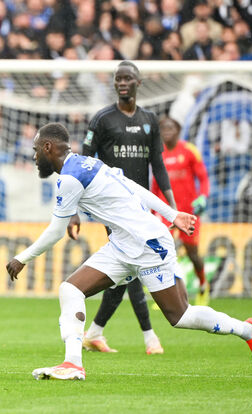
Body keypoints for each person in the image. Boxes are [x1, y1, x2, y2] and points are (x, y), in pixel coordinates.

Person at [6, 123, 252, 380]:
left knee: (180, 316)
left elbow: (55, 232)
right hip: (122, 246)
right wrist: (172, 213)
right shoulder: (89, 163)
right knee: (71, 289)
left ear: (49, 147)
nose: (34, 155)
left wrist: (22, 258)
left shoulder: (71, 178)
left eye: (36, 149)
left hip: (149, 245)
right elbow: (133, 186)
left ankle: (248, 331)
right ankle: (73, 364)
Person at [70, 61, 176, 355]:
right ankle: (150, 337)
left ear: (139, 82)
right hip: (111, 206)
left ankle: (95, 332)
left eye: (127, 78)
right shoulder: (102, 119)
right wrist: (75, 208)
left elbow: (158, 164)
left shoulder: (150, 120)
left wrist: (172, 206)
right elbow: (81, 165)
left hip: (141, 206)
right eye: (118, 79)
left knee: (125, 270)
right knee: (136, 265)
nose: (122, 83)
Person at [152, 116, 210, 305]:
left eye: (170, 128)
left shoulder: (189, 150)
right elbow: (155, 184)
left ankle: (203, 285)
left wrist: (203, 196)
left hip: (187, 212)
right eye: (163, 129)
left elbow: (203, 178)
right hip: (165, 212)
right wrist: (153, 211)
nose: (166, 131)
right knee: (163, 253)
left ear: (178, 130)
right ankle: (167, 297)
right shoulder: (158, 153)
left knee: (192, 253)